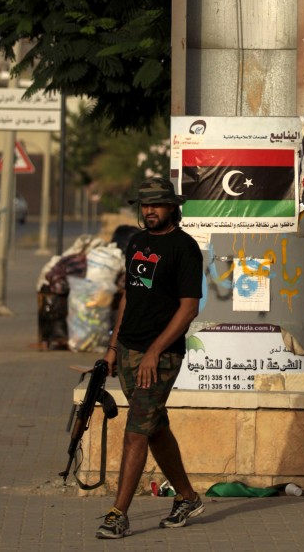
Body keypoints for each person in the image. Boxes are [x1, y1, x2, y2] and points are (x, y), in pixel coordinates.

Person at [97, 177, 204, 540]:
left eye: (156, 205)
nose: (150, 211)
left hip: (160, 356)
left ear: (173, 207)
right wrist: (113, 347)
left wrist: (155, 351)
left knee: (135, 432)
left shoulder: (184, 248)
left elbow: (189, 308)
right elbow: (129, 296)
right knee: (154, 426)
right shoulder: (138, 242)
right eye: (145, 205)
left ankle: (118, 514)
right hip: (128, 348)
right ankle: (187, 498)